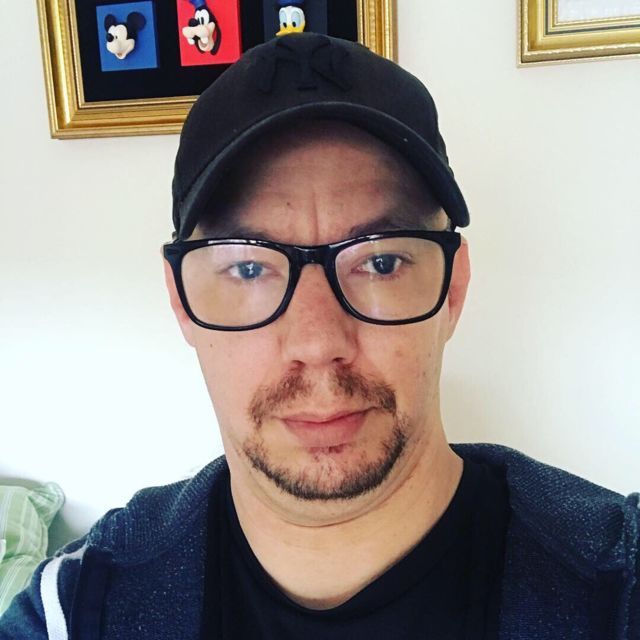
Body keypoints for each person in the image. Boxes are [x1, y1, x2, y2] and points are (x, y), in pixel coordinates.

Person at [1, 33, 638, 640]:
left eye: (380, 261)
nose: (316, 341)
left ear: (453, 287)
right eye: (249, 268)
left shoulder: (617, 590)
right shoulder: (80, 607)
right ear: (181, 302)